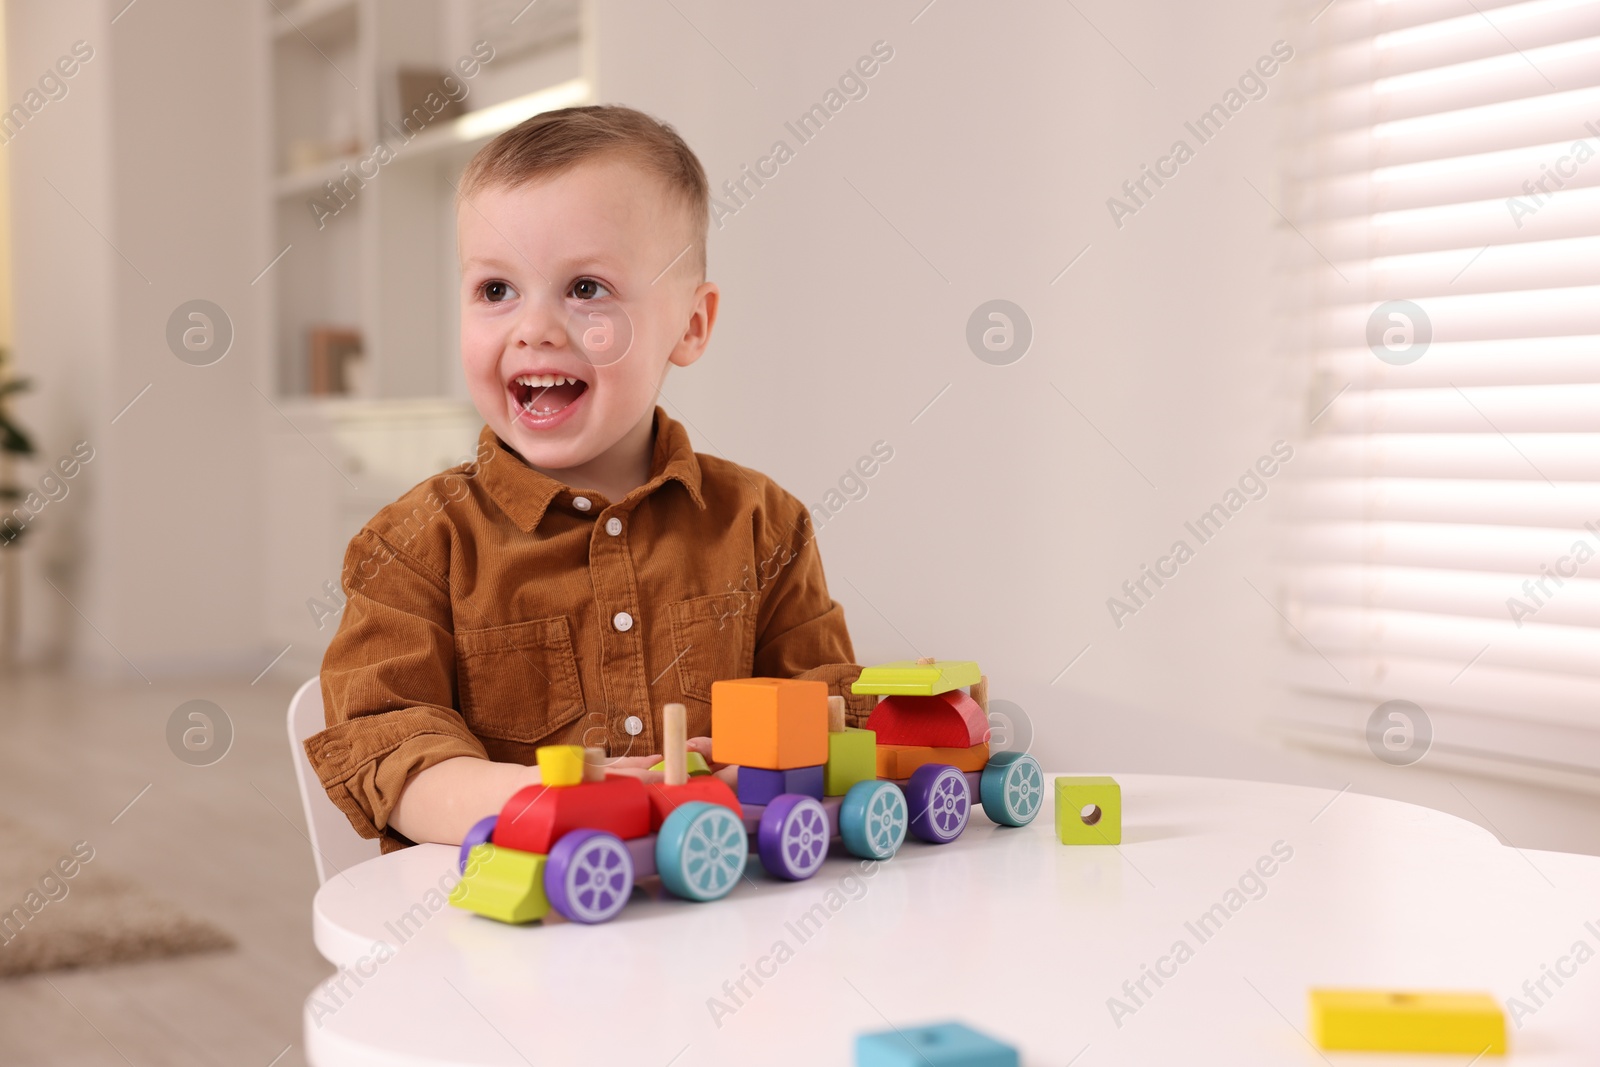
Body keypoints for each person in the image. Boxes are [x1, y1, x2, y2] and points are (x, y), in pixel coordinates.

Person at [304, 105, 875, 853]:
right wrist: (567, 799)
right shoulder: (414, 547)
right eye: (496, 291)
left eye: (585, 289)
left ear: (691, 326)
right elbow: (393, 757)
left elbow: (827, 724)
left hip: (722, 916)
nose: (534, 327)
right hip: (500, 941)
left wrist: (722, 790)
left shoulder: (765, 526)